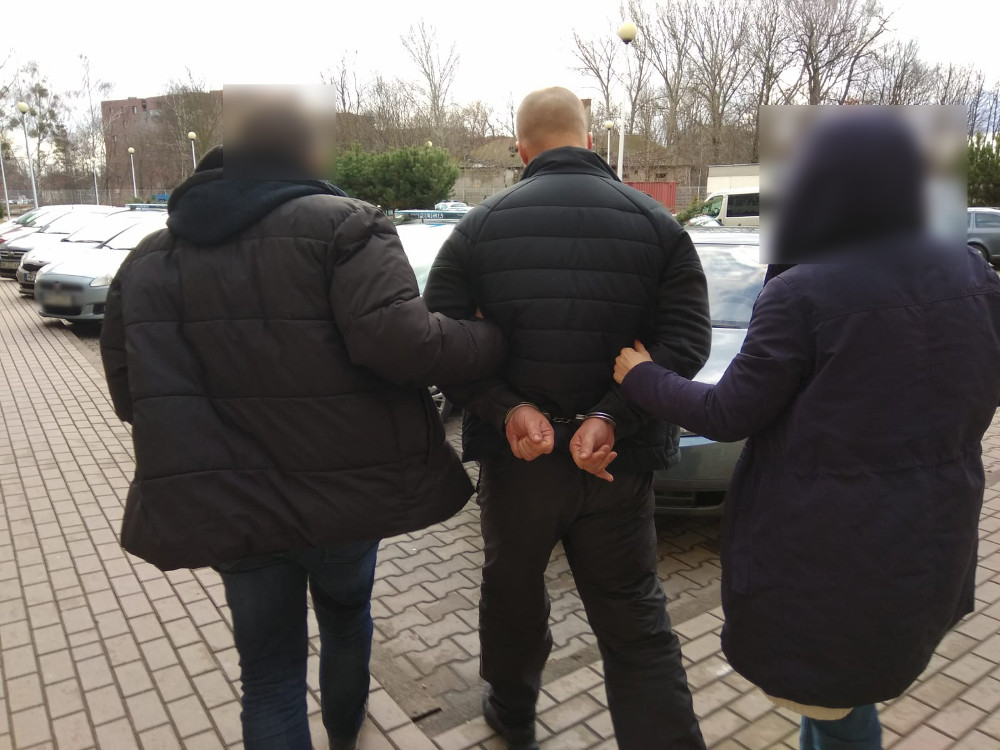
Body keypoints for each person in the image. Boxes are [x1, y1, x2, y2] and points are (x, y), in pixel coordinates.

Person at [100, 89, 505, 750]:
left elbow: (130, 395)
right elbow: (403, 345)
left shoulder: (149, 258)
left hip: (231, 508)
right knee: (346, 620)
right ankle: (346, 736)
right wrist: (488, 339)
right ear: (308, 152)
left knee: (268, 676)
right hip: (342, 498)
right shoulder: (347, 227)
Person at [613, 110, 1000, 749]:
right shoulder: (972, 274)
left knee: (834, 704)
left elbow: (727, 413)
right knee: (839, 698)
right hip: (929, 537)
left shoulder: (806, 294)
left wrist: (643, 377)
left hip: (831, 552)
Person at [423, 86, 711, 750]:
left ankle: (512, 715)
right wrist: (612, 416)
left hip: (518, 464)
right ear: (589, 140)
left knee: (513, 596)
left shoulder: (478, 228)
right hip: (617, 464)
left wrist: (509, 409)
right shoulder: (657, 225)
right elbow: (687, 342)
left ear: (520, 149)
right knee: (635, 619)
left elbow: (439, 344)